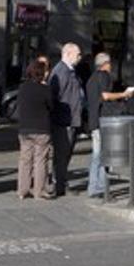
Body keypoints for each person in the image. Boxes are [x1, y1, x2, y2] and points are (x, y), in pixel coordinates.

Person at [84, 53, 134, 198]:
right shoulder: (103, 76)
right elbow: (105, 96)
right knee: (101, 155)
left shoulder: (92, 78)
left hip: (94, 120)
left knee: (98, 154)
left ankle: (96, 186)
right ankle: (98, 187)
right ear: (106, 63)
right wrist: (124, 94)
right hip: (103, 121)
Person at [48, 43, 84, 196]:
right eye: (78, 54)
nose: (80, 57)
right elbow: (54, 96)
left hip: (71, 119)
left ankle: (60, 181)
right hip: (63, 121)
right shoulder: (61, 71)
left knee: (65, 153)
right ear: (68, 54)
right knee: (62, 153)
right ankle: (59, 183)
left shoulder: (70, 71)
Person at [15, 59, 54, 200]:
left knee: (24, 159)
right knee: (40, 160)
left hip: (25, 128)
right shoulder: (45, 89)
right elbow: (51, 106)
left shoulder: (23, 88)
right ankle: (39, 190)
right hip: (42, 128)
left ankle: (22, 190)